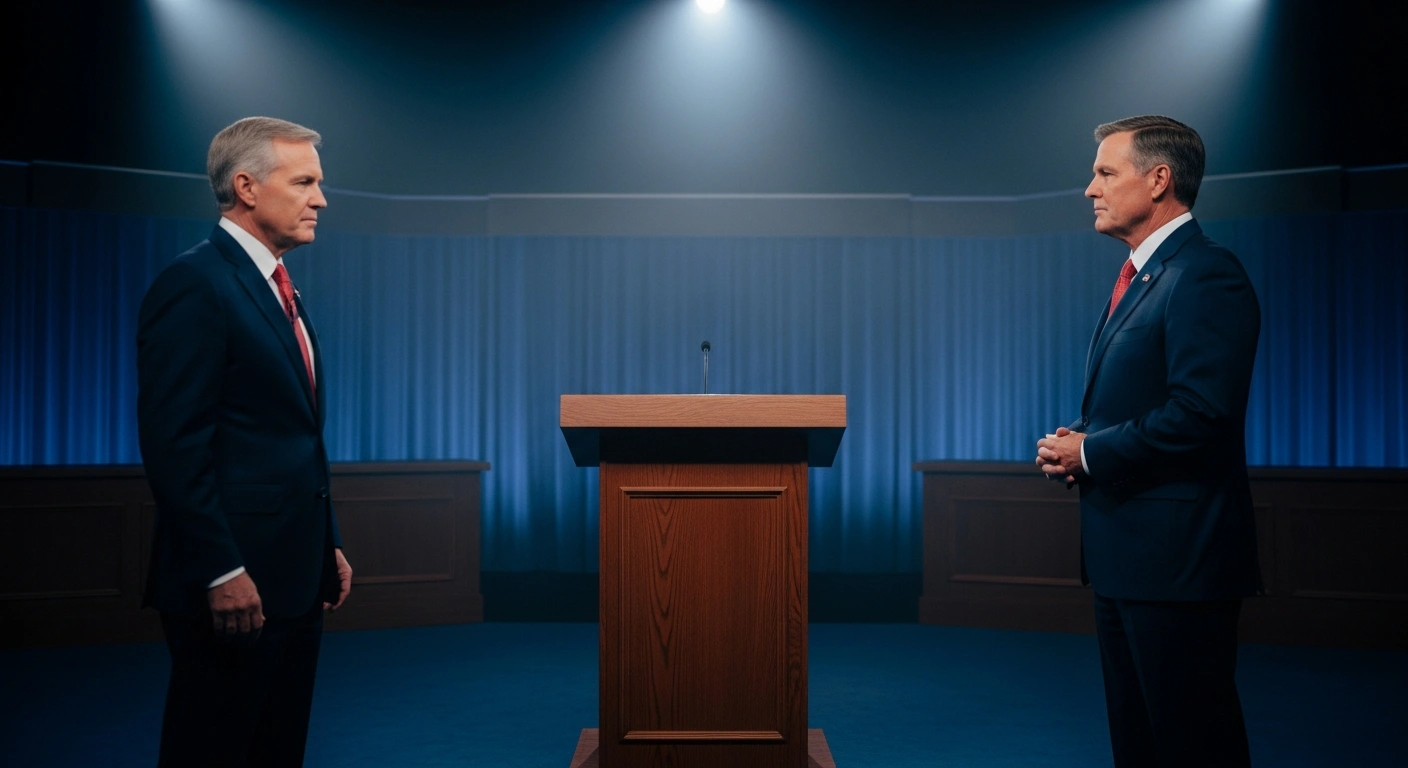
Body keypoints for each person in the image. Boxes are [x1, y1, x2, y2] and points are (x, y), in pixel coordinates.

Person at [1036, 115, 1260, 767]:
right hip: (1128, 561)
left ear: (1159, 179)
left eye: (1106, 172)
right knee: (1140, 747)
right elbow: (1153, 406)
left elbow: (1201, 414)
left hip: (1179, 567)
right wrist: (1084, 444)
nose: (1089, 189)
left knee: (1193, 748)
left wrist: (1093, 452)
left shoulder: (1206, 273)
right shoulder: (1142, 277)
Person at [138, 116, 353, 767]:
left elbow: (291, 437)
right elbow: (176, 445)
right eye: (305, 181)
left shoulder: (276, 286)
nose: (321, 199)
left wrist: (328, 542)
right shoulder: (196, 284)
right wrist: (221, 569)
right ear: (247, 187)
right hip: (233, 587)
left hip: (293, 580)